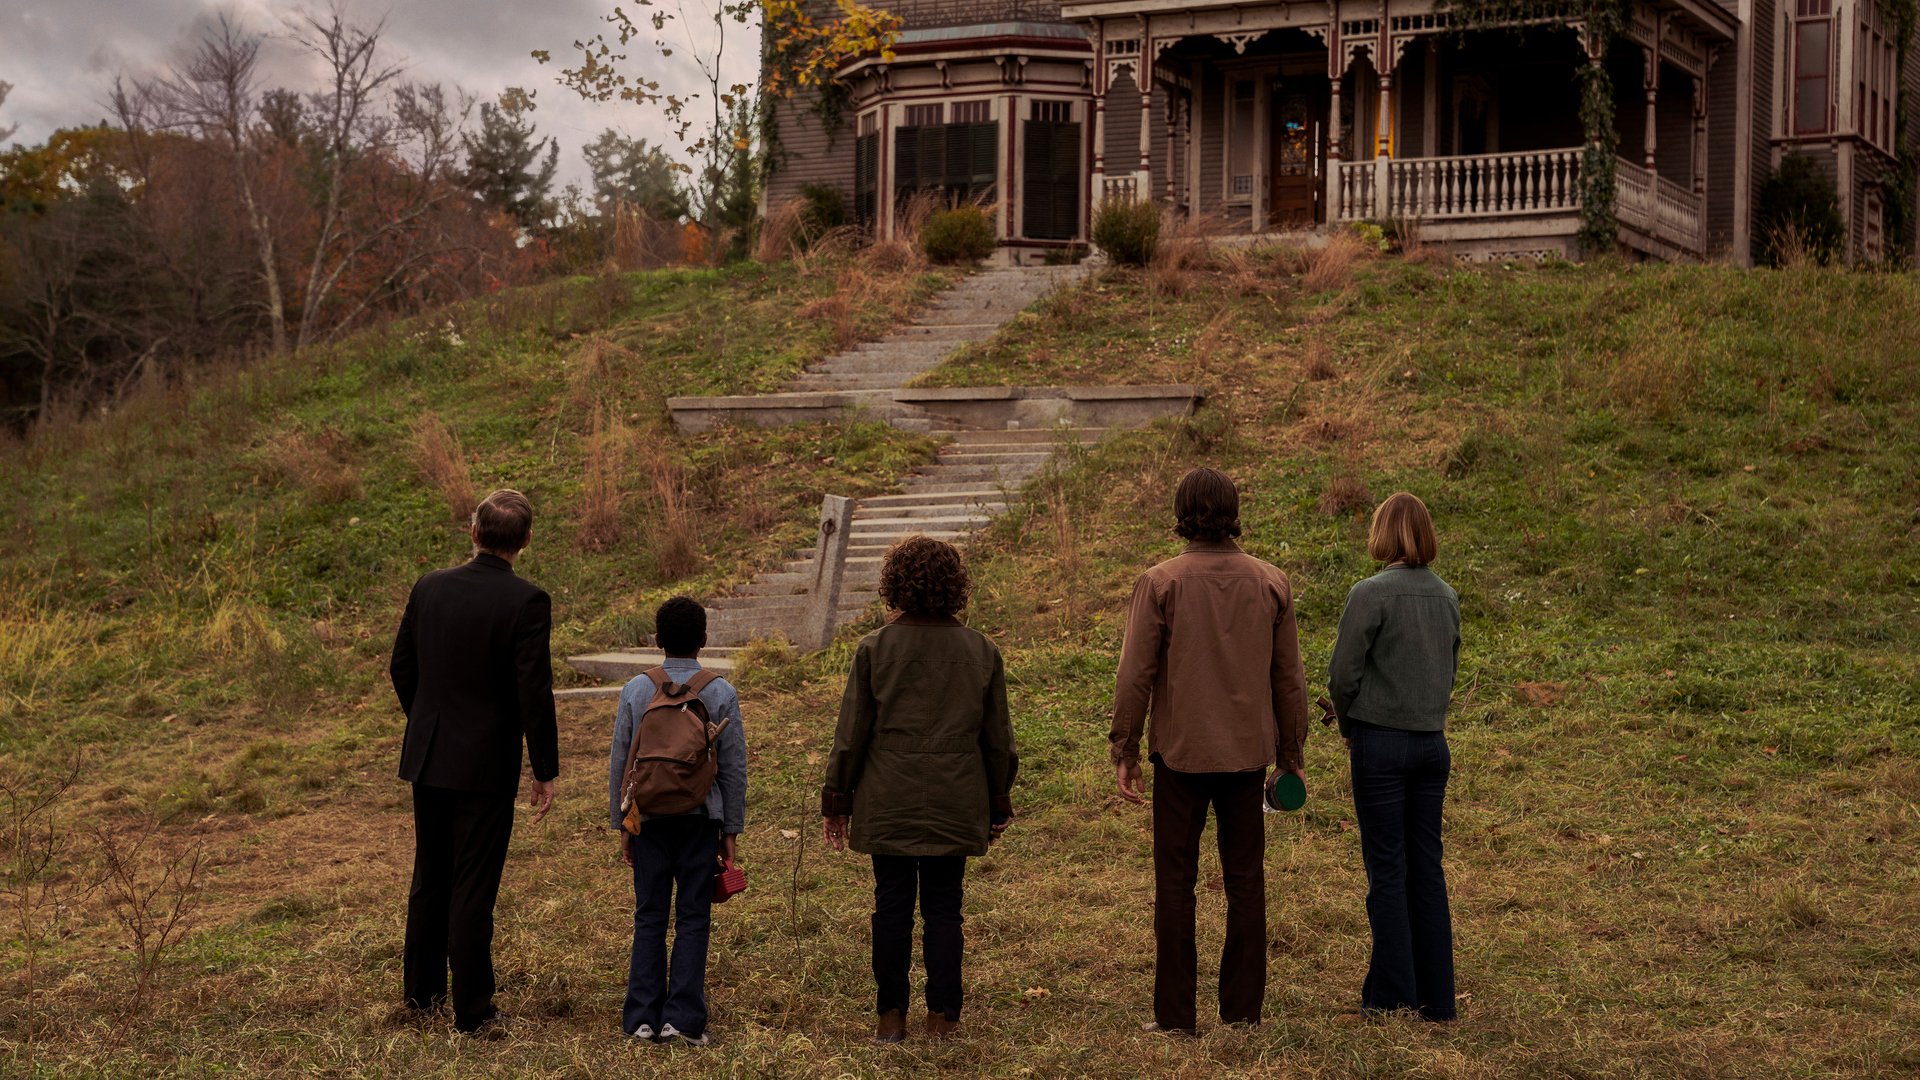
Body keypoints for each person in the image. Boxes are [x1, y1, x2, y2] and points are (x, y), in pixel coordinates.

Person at [1110, 467, 1310, 1035]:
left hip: (1180, 755)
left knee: (1175, 882)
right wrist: (1291, 752)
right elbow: (1289, 679)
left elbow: (1134, 677)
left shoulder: (1160, 583)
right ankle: (1243, 1011)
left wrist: (1124, 746)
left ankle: (1175, 1017)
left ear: (1182, 513)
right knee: (1246, 879)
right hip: (1248, 757)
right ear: (1233, 512)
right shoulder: (1272, 582)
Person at [820, 536, 1018, 1044]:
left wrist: (837, 800)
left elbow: (851, 735)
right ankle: (943, 1018)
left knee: (890, 906)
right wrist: (998, 802)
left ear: (894, 586)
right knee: (945, 907)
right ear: (955, 586)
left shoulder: (874, 650)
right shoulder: (981, 651)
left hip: (888, 799)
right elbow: (999, 741)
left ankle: (891, 1017)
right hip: (956, 797)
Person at [390, 488, 557, 1038]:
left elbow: (402, 667)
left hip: (430, 753)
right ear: (526, 540)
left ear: (474, 532)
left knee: (430, 875)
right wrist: (544, 767)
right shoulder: (527, 601)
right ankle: (474, 1010)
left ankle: (421, 994)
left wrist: (427, 721)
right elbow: (534, 691)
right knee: (473, 884)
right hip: (485, 762)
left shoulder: (429, 587)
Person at [1328, 491, 1461, 1022]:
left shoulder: (1370, 593)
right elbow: (1449, 667)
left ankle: (1390, 998)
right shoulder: (1447, 596)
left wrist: (1348, 725)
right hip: (1433, 744)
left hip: (1380, 743)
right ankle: (1438, 1000)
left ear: (1383, 533)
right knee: (1427, 869)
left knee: (1386, 870)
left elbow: (1342, 675)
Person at [608, 596, 747, 1045]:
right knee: (692, 916)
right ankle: (682, 1021)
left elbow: (620, 761)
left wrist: (621, 823)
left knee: (648, 915)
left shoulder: (635, 690)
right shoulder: (721, 692)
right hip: (700, 820)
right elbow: (733, 767)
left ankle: (641, 1019)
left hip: (647, 818)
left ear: (657, 640)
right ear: (704, 640)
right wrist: (730, 830)